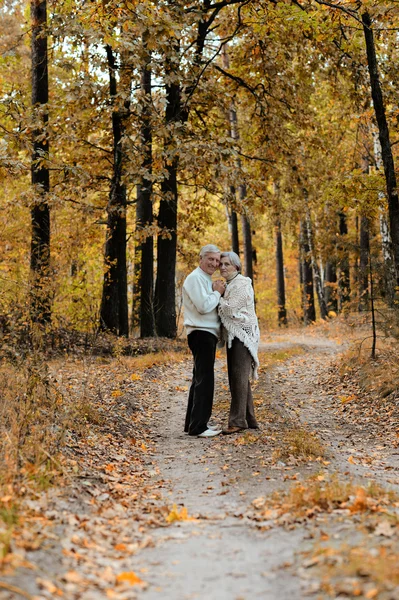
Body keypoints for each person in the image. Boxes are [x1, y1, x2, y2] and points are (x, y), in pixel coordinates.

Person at [182, 244, 226, 438]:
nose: (214, 264)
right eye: (211, 259)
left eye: (217, 261)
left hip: (206, 333)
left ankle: (192, 424)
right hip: (201, 332)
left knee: (199, 378)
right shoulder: (194, 278)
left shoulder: (204, 279)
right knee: (205, 380)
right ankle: (199, 427)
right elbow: (203, 306)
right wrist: (217, 292)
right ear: (201, 258)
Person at [218, 251, 260, 434]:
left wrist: (215, 295)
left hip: (243, 336)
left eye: (227, 264)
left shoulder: (242, 284)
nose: (222, 267)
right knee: (239, 378)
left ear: (236, 266)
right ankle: (249, 419)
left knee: (238, 378)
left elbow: (229, 309)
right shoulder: (230, 284)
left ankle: (237, 421)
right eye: (221, 264)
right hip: (234, 335)